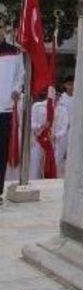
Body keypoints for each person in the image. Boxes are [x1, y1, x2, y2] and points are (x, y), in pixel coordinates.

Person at [0, 22, 24, 202]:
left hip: (4, 108)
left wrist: (16, 90)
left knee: (1, 150)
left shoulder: (14, 52)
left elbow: (20, 75)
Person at [56, 74, 75, 174]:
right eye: (69, 84)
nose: (71, 87)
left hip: (74, 131)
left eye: (73, 84)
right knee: (59, 154)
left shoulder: (79, 98)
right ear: (65, 85)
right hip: (62, 131)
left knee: (72, 156)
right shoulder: (60, 99)